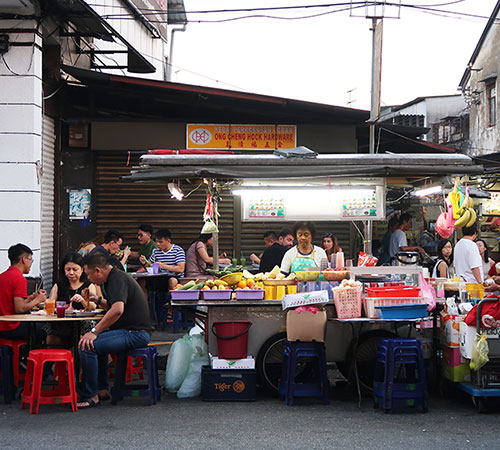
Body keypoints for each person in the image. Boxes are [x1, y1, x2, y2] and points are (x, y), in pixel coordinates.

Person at [77, 252, 153, 409]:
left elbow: (117, 310)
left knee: (86, 345)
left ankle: (90, 395)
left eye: (89, 275)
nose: (89, 279)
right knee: (97, 345)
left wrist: (94, 331)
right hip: (132, 331)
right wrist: (97, 299)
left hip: (136, 333)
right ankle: (102, 389)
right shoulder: (115, 277)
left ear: (98, 270)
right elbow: (114, 306)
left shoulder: (116, 279)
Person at [45, 253, 98, 347]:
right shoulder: (59, 285)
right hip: (62, 323)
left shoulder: (88, 286)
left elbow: (93, 307)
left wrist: (82, 300)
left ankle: (80, 356)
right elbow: (51, 303)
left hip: (82, 324)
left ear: (82, 269)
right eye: (68, 269)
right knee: (51, 333)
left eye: (75, 269)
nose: (71, 273)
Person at [0, 243, 46, 344]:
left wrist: (31, 298)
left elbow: (11, 302)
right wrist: (38, 300)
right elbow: (19, 308)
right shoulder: (19, 278)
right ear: (24, 259)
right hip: (11, 327)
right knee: (43, 329)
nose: (31, 263)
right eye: (31, 259)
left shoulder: (2, 276)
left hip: (2, 325)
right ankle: (29, 357)